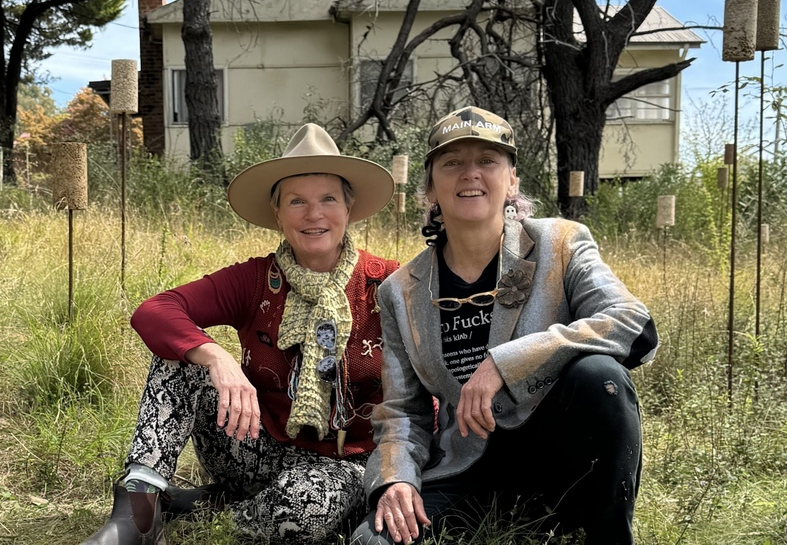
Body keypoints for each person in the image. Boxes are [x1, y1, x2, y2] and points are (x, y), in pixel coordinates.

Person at [352, 106, 659, 545]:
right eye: (452, 163)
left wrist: (504, 364)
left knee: (600, 377)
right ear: (430, 188)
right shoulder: (400, 291)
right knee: (373, 541)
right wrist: (395, 479)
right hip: (467, 469)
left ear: (511, 179)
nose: (470, 174)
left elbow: (634, 326)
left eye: (487, 161)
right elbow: (403, 411)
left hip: (562, 462)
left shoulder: (561, 243)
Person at [81, 123, 399, 545]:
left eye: (328, 199)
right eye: (297, 201)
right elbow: (155, 311)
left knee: (303, 512)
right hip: (255, 448)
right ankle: (138, 511)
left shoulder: (388, 282)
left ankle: (207, 511)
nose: (314, 214)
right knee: (182, 358)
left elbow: (422, 392)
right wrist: (216, 356)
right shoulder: (255, 279)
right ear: (277, 213)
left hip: (345, 464)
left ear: (348, 206)